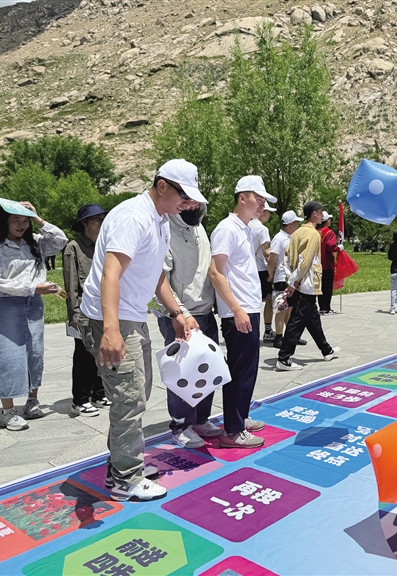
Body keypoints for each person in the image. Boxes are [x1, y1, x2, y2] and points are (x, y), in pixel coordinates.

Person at [80, 158, 204, 501]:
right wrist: (111, 330)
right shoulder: (133, 217)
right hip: (113, 317)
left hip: (132, 315)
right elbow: (111, 273)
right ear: (162, 186)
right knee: (129, 396)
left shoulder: (161, 220)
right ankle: (125, 478)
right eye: (184, 196)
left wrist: (176, 312)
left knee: (139, 390)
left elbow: (156, 274)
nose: (188, 204)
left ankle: (122, 463)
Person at [0, 200, 67, 431]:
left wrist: (37, 218)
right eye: (15, 220)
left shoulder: (35, 243)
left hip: (32, 304)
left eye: (25, 221)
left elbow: (60, 240)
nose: (21, 225)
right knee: (6, 354)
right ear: (4, 222)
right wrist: (33, 288)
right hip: (4, 305)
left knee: (34, 353)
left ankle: (32, 401)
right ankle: (8, 411)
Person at [208, 175, 276, 449]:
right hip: (238, 311)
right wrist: (236, 309)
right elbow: (215, 272)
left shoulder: (246, 229)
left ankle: (241, 416)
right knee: (239, 371)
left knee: (248, 369)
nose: (262, 205)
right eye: (258, 199)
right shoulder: (227, 229)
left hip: (248, 307)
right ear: (242, 197)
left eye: (263, 201)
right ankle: (233, 430)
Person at [155, 202, 224, 449]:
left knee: (207, 369)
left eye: (199, 204)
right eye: (190, 203)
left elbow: (206, 270)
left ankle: (200, 419)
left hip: (204, 311)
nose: (195, 208)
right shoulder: (165, 230)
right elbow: (160, 280)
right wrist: (180, 313)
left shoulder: (199, 228)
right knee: (181, 373)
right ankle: (181, 426)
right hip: (179, 314)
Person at [276, 201, 341, 371]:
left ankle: (326, 350)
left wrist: (291, 277)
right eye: (321, 212)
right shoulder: (313, 234)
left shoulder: (297, 232)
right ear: (314, 214)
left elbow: (287, 258)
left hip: (299, 280)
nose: (322, 215)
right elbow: (306, 261)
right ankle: (284, 357)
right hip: (307, 282)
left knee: (312, 318)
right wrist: (294, 282)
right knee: (297, 320)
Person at [63, 204, 110, 417]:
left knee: (101, 352)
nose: (101, 223)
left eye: (103, 218)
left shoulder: (104, 245)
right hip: (83, 310)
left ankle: (99, 393)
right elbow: (71, 284)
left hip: (102, 309)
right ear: (85, 223)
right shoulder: (74, 247)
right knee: (84, 355)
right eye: (97, 219)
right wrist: (73, 314)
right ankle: (80, 399)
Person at [267, 210, 304, 348]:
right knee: (282, 308)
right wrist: (271, 275)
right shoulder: (279, 238)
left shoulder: (291, 237)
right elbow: (272, 259)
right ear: (290, 224)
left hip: (291, 277)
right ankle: (278, 336)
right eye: (296, 222)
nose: (298, 225)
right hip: (281, 277)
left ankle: (291, 335)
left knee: (290, 309)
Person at [250, 201, 277, 343]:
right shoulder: (262, 229)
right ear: (262, 212)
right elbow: (266, 252)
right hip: (260, 268)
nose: (269, 215)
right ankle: (267, 331)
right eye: (268, 212)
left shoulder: (247, 225)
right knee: (269, 299)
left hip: (248, 268)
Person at [317, 210, 342, 315]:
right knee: (327, 287)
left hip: (317, 263)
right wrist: (338, 248)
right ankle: (326, 308)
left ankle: (321, 307)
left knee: (320, 287)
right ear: (326, 221)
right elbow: (330, 246)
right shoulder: (329, 232)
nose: (330, 221)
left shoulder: (316, 231)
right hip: (327, 263)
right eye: (329, 219)